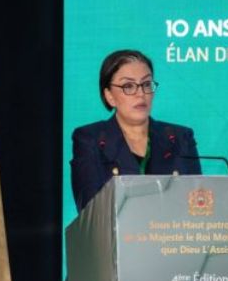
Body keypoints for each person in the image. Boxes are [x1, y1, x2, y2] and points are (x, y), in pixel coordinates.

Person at [70, 49, 201, 211]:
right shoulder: (90, 139)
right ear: (110, 96)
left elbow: (196, 204)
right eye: (129, 86)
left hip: (173, 227)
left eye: (146, 84)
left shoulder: (181, 138)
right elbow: (89, 210)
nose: (140, 94)